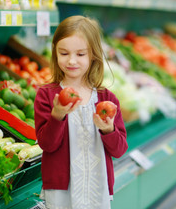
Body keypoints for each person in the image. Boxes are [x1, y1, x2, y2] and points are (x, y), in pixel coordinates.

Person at [34, 15, 128, 209]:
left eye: (80, 54)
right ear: (55, 53)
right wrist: (57, 114)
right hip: (62, 190)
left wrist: (108, 130)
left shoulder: (106, 99)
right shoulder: (47, 95)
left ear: (93, 55)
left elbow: (119, 150)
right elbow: (47, 145)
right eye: (64, 53)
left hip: (97, 187)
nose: (71, 61)